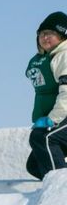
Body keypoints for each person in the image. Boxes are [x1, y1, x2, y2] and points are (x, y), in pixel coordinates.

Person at [27, 12, 67, 180]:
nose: (44, 37)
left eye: (50, 33)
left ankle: (62, 188)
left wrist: (53, 119)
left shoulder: (64, 56)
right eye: (41, 34)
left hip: (63, 115)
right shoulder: (50, 58)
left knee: (43, 138)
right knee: (35, 165)